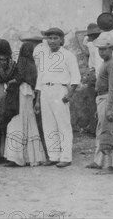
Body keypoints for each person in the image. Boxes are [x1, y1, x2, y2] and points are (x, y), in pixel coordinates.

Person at [34, 27, 81, 168]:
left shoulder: (68, 55)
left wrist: (70, 93)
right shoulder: (44, 56)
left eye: (55, 38)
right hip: (45, 91)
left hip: (60, 90)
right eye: (50, 38)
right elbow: (40, 79)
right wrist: (37, 100)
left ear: (61, 40)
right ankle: (53, 156)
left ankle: (66, 157)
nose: (52, 41)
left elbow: (75, 76)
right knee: (48, 125)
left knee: (63, 124)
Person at [4, 42, 46, 167]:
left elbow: (19, 77)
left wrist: (9, 81)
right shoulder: (33, 64)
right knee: (29, 122)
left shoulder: (21, 61)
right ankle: (31, 156)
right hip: (29, 94)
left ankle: (16, 157)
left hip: (20, 93)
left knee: (16, 123)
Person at [86, 32, 113, 174]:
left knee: (109, 132)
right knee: (102, 131)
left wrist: (108, 108)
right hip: (103, 99)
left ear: (111, 49)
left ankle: (112, 166)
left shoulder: (112, 64)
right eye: (99, 49)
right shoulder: (106, 63)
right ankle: (99, 161)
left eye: (103, 49)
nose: (101, 52)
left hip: (108, 99)